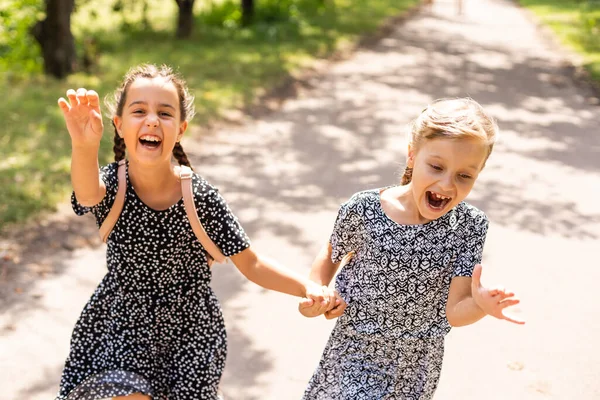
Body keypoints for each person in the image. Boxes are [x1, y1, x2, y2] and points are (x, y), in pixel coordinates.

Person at [55, 64, 336, 400]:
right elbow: (87, 195)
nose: (152, 120)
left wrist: (307, 286)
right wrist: (84, 146)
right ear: (118, 124)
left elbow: (252, 263)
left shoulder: (199, 198)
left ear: (181, 128)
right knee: (124, 394)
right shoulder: (114, 186)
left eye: (165, 112)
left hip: (189, 336)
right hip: (121, 323)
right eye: (139, 110)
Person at [298, 98, 524, 399]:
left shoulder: (470, 226)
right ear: (412, 156)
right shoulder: (364, 209)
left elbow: (456, 312)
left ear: (478, 173)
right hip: (356, 349)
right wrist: (318, 291)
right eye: (436, 166)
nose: (446, 184)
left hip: (417, 366)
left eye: (464, 175)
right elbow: (331, 254)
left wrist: (481, 306)